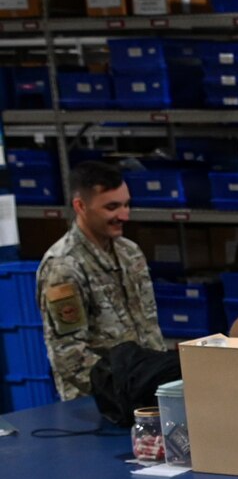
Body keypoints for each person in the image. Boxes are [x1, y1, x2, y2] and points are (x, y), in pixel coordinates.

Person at [35, 160, 166, 401]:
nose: (123, 215)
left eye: (127, 205)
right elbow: (69, 355)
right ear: (80, 206)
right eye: (112, 207)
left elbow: (149, 329)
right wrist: (124, 388)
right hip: (98, 403)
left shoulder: (130, 253)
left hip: (147, 393)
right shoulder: (63, 267)